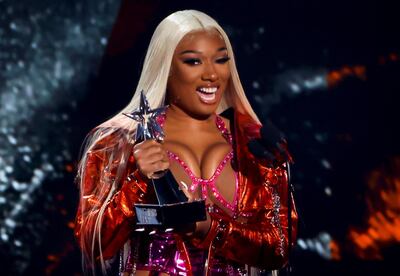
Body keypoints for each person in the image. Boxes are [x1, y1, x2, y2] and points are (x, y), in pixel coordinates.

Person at [74, 10, 298, 276]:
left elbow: (279, 250)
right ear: (166, 68)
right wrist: (137, 183)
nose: (212, 74)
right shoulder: (118, 144)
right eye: (193, 62)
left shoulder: (255, 147)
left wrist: (208, 227)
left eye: (221, 60)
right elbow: (93, 245)